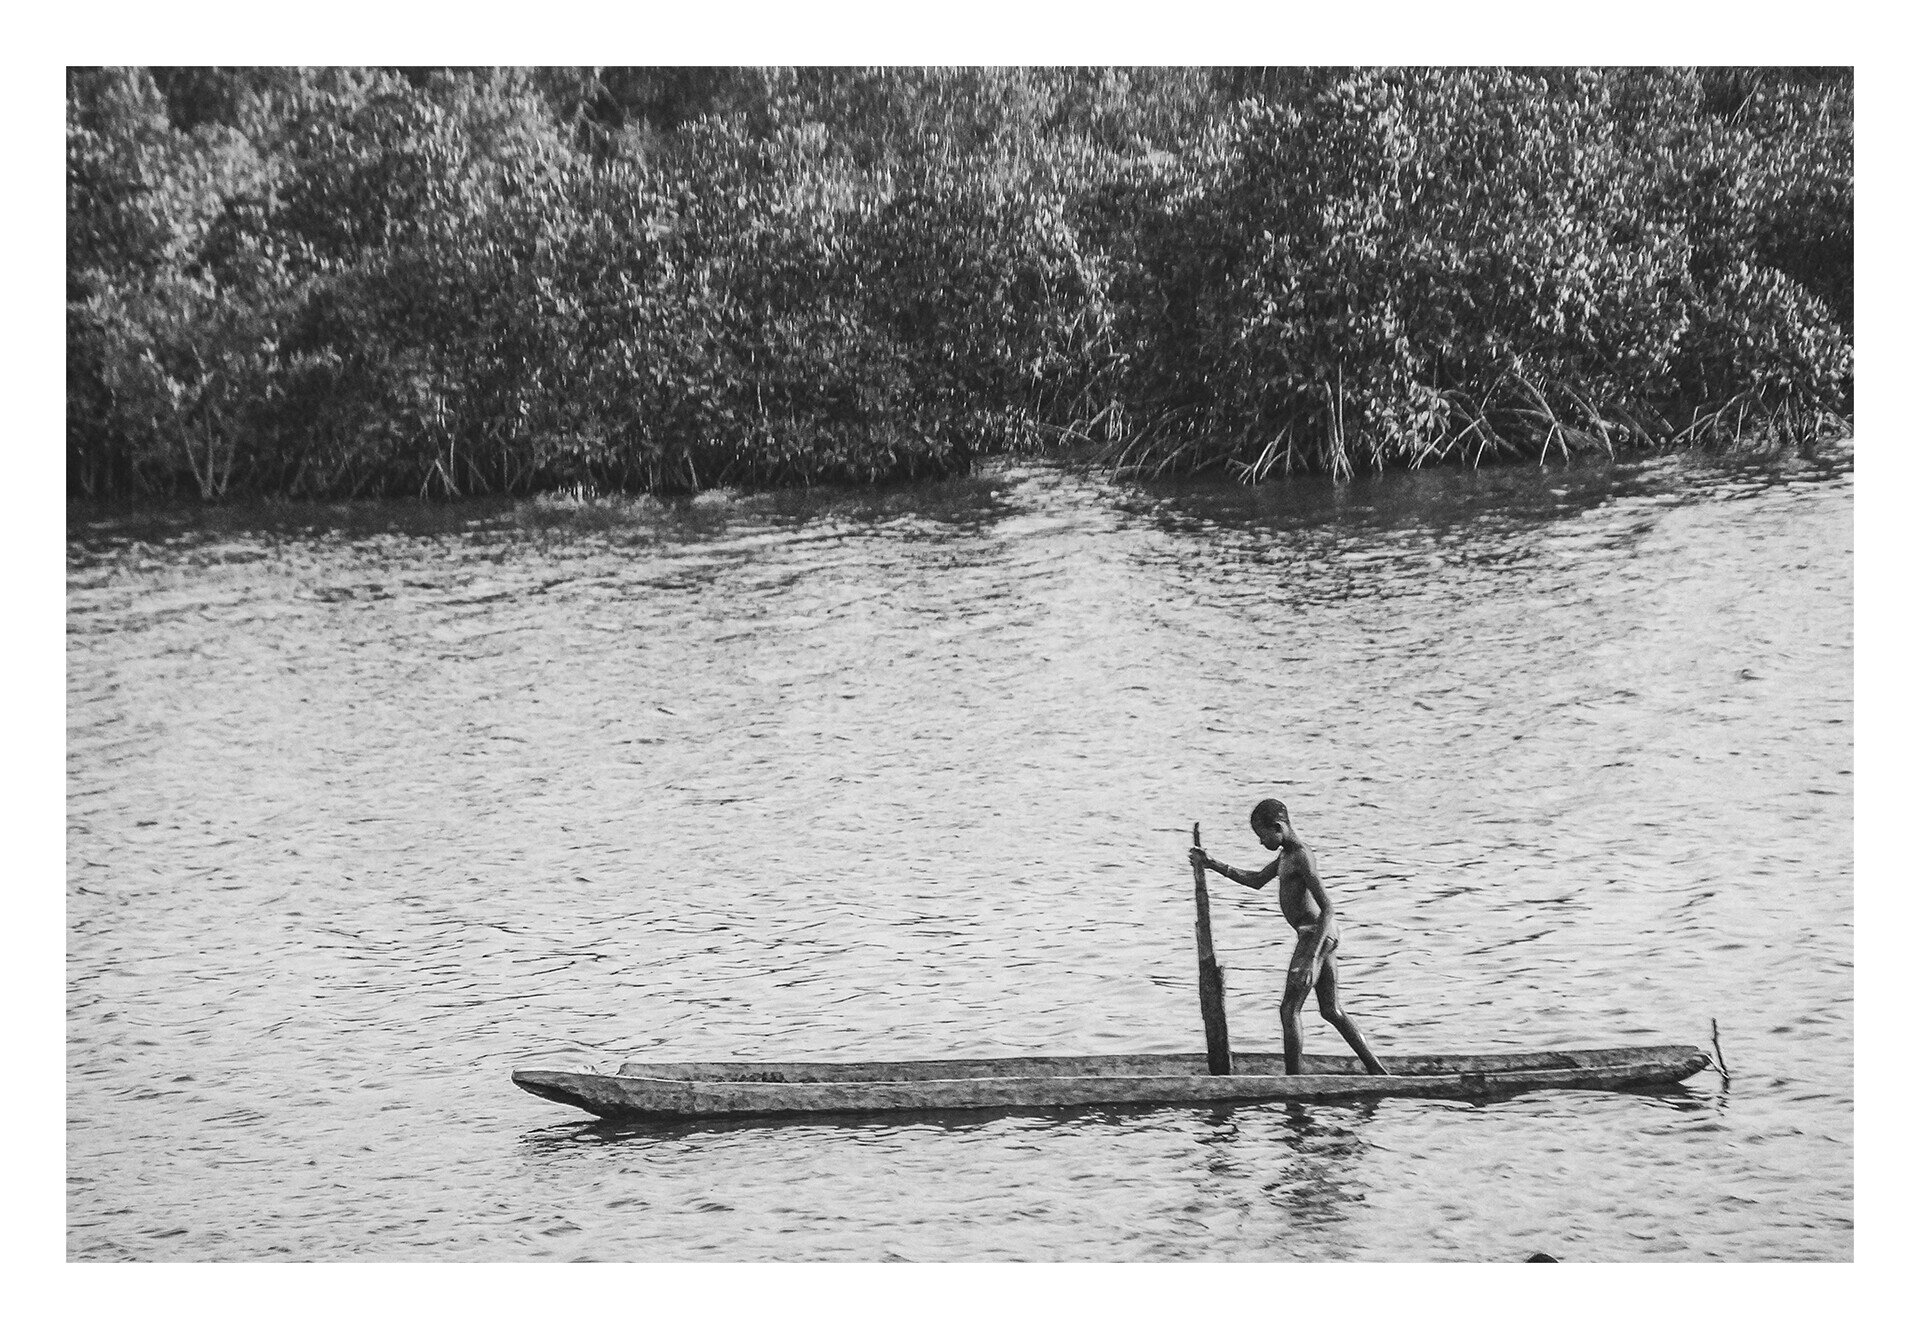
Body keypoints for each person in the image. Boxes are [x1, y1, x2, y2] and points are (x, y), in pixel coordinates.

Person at [1189, 798, 1390, 1077]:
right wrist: (1212, 864)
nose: (1261, 843)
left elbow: (1328, 908)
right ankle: (1377, 1070)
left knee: (1288, 1010)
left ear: (1278, 827)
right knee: (1331, 1010)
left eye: (1262, 836)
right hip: (1322, 936)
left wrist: (1310, 957)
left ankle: (1293, 1081)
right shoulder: (1285, 856)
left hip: (1315, 934)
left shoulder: (1301, 855)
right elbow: (1256, 880)